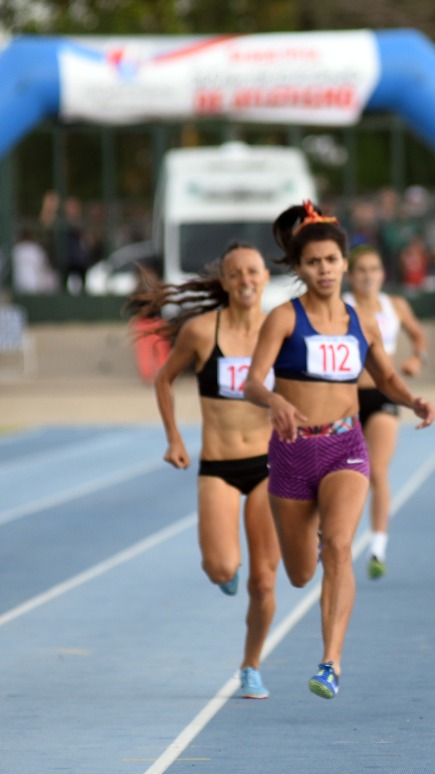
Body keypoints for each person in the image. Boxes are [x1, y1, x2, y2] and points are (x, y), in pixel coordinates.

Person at [243, 201, 435, 700]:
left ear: (344, 263)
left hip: (344, 446)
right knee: (301, 572)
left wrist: (412, 400)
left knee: (340, 547)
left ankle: (330, 662)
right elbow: (250, 382)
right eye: (313, 262)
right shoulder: (284, 318)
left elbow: (387, 377)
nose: (324, 270)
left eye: (331, 260)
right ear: (300, 268)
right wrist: (276, 399)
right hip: (291, 453)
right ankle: (313, 539)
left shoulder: (361, 321)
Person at [141, 243, 281, 700]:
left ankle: (251, 665)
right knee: (220, 566)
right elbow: (164, 379)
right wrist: (174, 438)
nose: (246, 280)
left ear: (265, 277)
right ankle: (225, 573)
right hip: (219, 465)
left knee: (264, 580)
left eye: (253, 271)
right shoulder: (203, 332)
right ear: (224, 280)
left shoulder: (280, 331)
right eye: (235, 272)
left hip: (269, 465)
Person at [344, 246, 429, 579]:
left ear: (382, 274)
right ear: (350, 276)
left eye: (374, 269)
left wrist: (416, 359)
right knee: (350, 475)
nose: (368, 276)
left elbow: (418, 334)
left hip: (382, 396)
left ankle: (377, 548)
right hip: (346, 399)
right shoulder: (342, 308)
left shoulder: (395, 306)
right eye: (361, 270)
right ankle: (341, 538)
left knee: (376, 471)